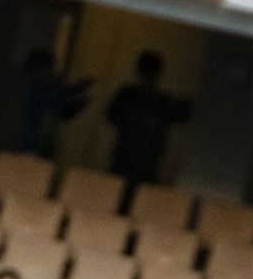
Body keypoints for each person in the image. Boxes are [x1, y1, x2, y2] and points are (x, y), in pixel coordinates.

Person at [106, 51, 192, 187]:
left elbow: (112, 117)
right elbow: (112, 116)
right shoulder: (132, 96)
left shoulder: (159, 101)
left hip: (139, 163)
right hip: (132, 161)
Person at [16, 48, 91, 159]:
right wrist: (80, 100)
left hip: (34, 143)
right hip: (35, 145)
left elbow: (60, 95)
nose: (52, 71)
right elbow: (61, 108)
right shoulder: (40, 88)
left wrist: (76, 90)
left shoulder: (35, 87)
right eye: (50, 67)